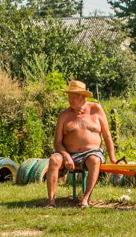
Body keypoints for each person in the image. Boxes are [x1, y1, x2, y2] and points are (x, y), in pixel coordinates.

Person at [45, 80, 116, 208]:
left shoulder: (96, 109)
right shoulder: (64, 115)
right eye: (69, 96)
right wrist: (66, 156)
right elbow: (57, 142)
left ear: (83, 97)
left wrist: (113, 158)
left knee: (95, 160)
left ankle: (85, 199)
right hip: (69, 153)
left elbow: (107, 135)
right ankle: (51, 201)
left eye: (73, 97)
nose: (70, 100)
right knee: (54, 159)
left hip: (92, 152)